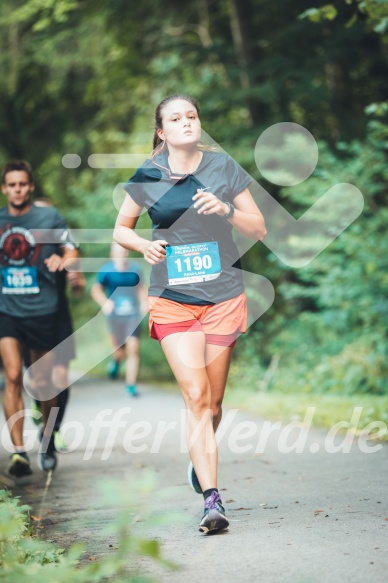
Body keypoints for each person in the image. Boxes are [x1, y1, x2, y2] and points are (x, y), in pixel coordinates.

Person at [113, 95, 266, 534]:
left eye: (192, 116)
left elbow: (259, 227)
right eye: (176, 118)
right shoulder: (149, 174)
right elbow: (122, 229)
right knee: (196, 396)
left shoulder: (223, 167)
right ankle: (212, 502)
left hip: (222, 296)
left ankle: (200, 460)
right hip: (172, 297)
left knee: (214, 403)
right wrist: (143, 245)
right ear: (161, 131)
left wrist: (228, 210)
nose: (186, 123)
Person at [0, 159, 78, 476]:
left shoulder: (48, 217)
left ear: (30, 187)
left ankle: (46, 440)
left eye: (22, 184)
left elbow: (72, 249)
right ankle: (19, 452)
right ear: (5, 188)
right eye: (11, 184)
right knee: (14, 376)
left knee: (43, 384)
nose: (17, 189)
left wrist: (64, 258)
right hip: (7, 310)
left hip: (44, 309)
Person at [30, 198, 86, 452]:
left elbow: (79, 285)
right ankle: (39, 406)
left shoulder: (63, 245)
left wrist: (76, 281)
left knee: (61, 376)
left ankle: (54, 430)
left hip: (58, 316)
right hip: (26, 317)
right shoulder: (20, 245)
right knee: (38, 377)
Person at [91, 241, 147, 397]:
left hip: (132, 316)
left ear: (127, 253)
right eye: (118, 252)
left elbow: (141, 288)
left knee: (134, 349)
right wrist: (105, 303)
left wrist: (144, 303)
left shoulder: (135, 270)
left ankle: (131, 385)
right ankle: (115, 362)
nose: (122, 255)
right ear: (112, 254)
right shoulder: (106, 271)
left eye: (124, 252)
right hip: (115, 317)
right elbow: (96, 290)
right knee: (119, 351)